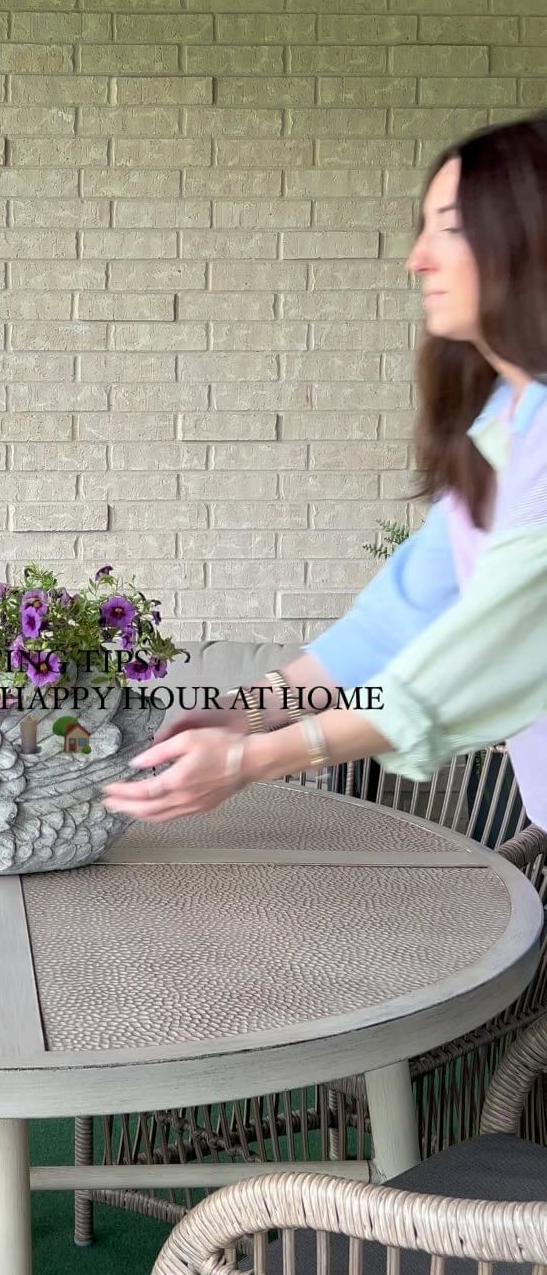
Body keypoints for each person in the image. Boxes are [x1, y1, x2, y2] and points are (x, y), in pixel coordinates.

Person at [103, 113, 547, 826]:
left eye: (451, 229)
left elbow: (462, 669)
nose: (418, 260)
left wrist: (251, 759)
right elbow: (393, 624)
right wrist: (243, 712)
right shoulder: (505, 423)